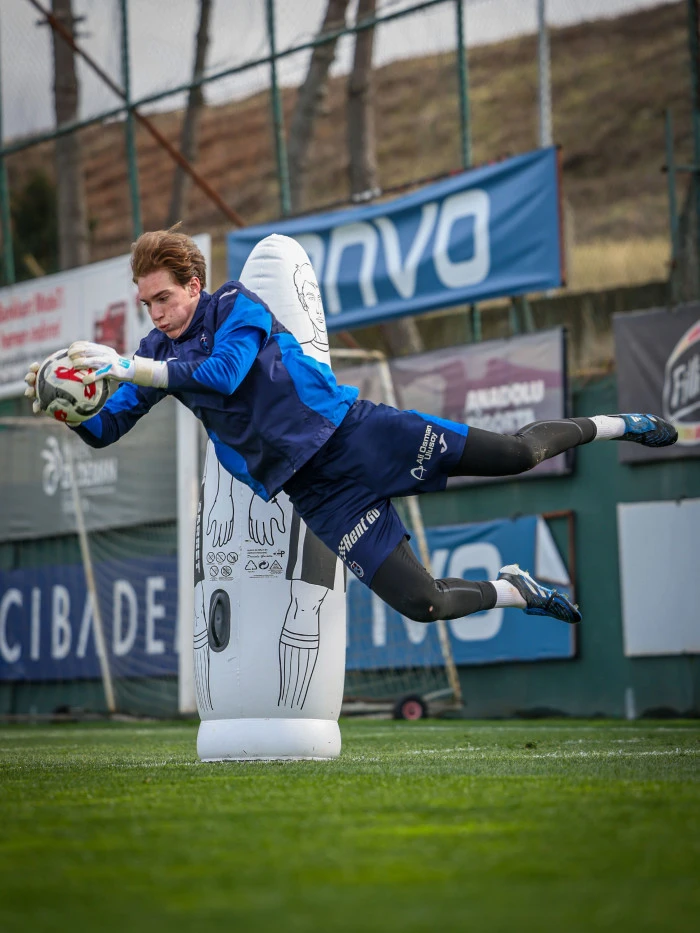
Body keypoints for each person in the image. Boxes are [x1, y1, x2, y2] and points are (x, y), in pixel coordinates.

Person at [24, 229, 678, 627]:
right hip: (317, 492)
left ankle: (618, 422)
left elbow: (223, 374)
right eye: (146, 304)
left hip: (357, 437)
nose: (156, 314)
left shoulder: (235, 305)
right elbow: (107, 429)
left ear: (194, 285)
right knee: (423, 604)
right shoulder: (153, 354)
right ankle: (517, 591)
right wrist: (68, 410)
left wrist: (128, 367)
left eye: (163, 298)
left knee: (517, 454)